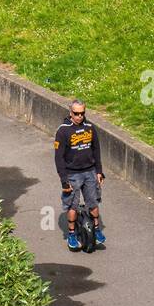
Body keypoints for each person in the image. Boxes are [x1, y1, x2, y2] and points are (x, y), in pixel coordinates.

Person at [54, 99, 106, 250]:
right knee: (72, 205)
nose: (79, 116)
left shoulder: (90, 128)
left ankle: (97, 230)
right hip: (72, 174)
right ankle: (71, 234)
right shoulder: (63, 131)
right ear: (70, 113)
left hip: (89, 171)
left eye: (82, 113)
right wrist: (64, 180)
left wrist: (99, 171)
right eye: (76, 114)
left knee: (93, 202)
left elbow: (96, 150)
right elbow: (58, 158)